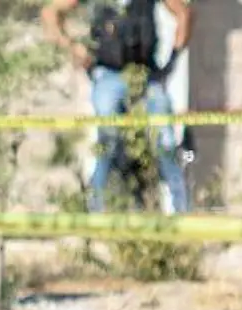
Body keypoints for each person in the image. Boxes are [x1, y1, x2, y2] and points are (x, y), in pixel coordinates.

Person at [41, 0, 193, 213]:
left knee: (165, 144)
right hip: (108, 74)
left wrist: (171, 63)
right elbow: (51, 12)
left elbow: (184, 14)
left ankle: (182, 214)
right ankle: (97, 213)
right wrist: (72, 47)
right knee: (108, 142)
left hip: (146, 75)